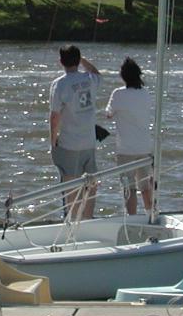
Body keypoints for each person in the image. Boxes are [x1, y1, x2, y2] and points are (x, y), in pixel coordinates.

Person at [49, 44, 101, 220]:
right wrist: (82, 60)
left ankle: (74, 219)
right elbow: (96, 73)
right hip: (89, 141)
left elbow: (55, 117)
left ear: (60, 62)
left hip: (69, 142)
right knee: (91, 183)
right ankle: (88, 218)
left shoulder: (59, 84)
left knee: (71, 183)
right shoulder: (90, 78)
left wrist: (53, 140)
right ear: (78, 61)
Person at [105, 57, 154, 217]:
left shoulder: (118, 94)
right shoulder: (146, 93)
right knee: (145, 186)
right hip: (145, 147)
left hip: (126, 149)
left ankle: (132, 218)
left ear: (123, 76)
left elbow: (109, 114)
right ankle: (150, 214)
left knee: (129, 187)